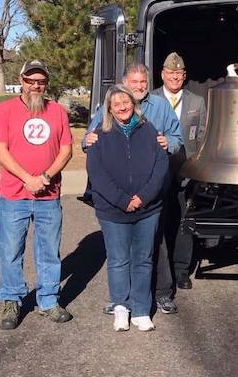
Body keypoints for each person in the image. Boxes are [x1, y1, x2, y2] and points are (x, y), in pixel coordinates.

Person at [83, 62, 183, 315]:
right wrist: (87, 140)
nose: (139, 87)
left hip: (153, 192)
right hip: (117, 197)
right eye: (134, 82)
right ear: (125, 83)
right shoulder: (112, 105)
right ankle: (122, 300)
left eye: (143, 82)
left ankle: (160, 294)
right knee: (120, 252)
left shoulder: (160, 106)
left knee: (153, 247)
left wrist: (167, 142)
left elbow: (177, 138)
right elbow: (92, 136)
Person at [0, 60, 73, 330]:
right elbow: (1, 150)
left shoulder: (58, 111)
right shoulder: (5, 110)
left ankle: (48, 300)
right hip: (14, 195)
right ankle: (12, 300)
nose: (35, 85)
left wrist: (46, 177)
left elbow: (66, 151)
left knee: (49, 251)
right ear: (21, 80)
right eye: (30, 80)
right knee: (11, 251)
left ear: (45, 83)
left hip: (48, 196)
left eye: (40, 81)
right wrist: (27, 178)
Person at [154, 52, 206, 290]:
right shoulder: (151, 99)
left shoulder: (197, 101)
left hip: (186, 171)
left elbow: (203, 136)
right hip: (157, 171)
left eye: (179, 73)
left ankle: (181, 270)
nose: (175, 77)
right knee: (160, 222)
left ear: (184, 76)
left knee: (185, 222)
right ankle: (159, 269)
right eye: (171, 73)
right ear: (162, 74)